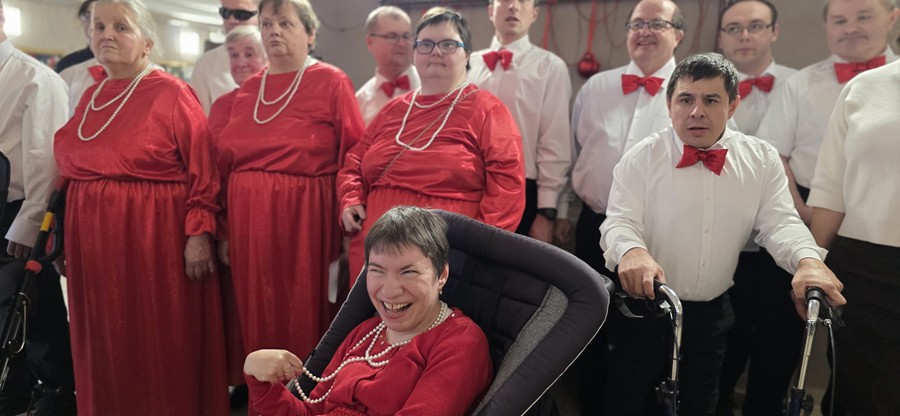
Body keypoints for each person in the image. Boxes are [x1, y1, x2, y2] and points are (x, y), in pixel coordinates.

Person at [599, 53, 846, 416]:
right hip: (645, 307)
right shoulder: (642, 157)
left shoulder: (760, 159)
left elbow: (781, 223)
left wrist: (808, 261)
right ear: (669, 105)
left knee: (701, 403)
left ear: (732, 106)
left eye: (711, 100)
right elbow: (619, 221)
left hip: (713, 313)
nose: (696, 111)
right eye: (686, 99)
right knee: (626, 401)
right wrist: (632, 251)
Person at [53, 0, 228, 413]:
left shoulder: (171, 93)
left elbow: (204, 171)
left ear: (147, 42)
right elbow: (69, 173)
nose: (106, 35)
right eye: (99, 26)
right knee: (104, 337)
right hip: (92, 245)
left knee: (155, 336)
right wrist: (60, 236)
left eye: (121, 27)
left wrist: (199, 233)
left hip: (153, 239)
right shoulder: (91, 95)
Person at [216, 3, 364, 409]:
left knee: (304, 309)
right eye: (267, 23)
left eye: (285, 23)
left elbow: (354, 153)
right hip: (248, 219)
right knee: (257, 308)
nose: (274, 31)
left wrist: (348, 209)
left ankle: (306, 401)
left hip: (306, 216)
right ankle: (264, 399)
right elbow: (226, 163)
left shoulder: (332, 81)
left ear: (311, 34)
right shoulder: (248, 90)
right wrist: (224, 229)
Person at [244, 206, 493, 415]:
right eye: (377, 271)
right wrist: (260, 381)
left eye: (408, 272)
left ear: (442, 275)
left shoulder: (460, 342)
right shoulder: (366, 332)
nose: (390, 291)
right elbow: (312, 411)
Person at [338, 7, 525, 281]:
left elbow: (507, 187)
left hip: (447, 256)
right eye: (425, 44)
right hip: (374, 252)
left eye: (448, 44)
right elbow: (354, 161)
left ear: (467, 54)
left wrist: (478, 249)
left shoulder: (489, 110)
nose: (435, 52)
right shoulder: (393, 109)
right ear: (415, 52)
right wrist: (351, 197)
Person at [564, 0, 683, 411]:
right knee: (589, 323)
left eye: (656, 23)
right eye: (636, 24)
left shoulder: (691, 93)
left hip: (657, 235)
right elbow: (575, 151)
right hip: (593, 224)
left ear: (678, 35)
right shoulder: (596, 87)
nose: (644, 31)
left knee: (647, 334)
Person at [713, 2, 801, 415]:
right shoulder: (700, 89)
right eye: (733, 28)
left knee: (775, 348)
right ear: (721, 37)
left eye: (755, 26)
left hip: (778, 246)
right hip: (719, 241)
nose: (744, 35)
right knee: (717, 348)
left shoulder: (800, 86)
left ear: (774, 31)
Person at [808, 59, 900, 416]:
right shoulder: (864, 87)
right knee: (853, 392)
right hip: (861, 270)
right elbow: (831, 189)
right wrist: (812, 264)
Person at [757, 0, 898, 226]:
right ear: (826, 26)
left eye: (863, 17)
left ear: (892, 18)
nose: (850, 29)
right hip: (807, 207)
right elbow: (772, 154)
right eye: (839, 21)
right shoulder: (799, 84)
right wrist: (799, 211)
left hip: (888, 215)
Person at [0, 2, 76, 414]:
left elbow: (45, 157)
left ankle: (58, 389)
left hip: (17, 210)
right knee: (4, 309)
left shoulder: (35, 77)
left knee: (34, 304)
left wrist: (30, 221)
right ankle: (16, 385)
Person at [469, 0, 572, 245]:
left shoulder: (550, 67)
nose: (513, 6)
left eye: (522, 1)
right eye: (504, 0)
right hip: (468, 183)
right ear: (491, 10)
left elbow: (554, 141)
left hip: (523, 188)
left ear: (534, 13)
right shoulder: (467, 63)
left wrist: (547, 211)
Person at [356, 6, 420, 126]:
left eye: (406, 36)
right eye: (392, 36)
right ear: (370, 42)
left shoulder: (432, 86)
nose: (401, 43)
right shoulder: (360, 101)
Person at [192, 0, 260, 114]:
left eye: (241, 14)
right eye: (226, 13)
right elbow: (199, 118)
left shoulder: (281, 58)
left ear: (262, 15)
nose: (231, 20)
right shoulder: (207, 63)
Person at [208, 25, 267, 138]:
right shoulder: (222, 105)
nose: (240, 63)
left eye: (249, 55)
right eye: (234, 55)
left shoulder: (279, 100)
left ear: (267, 59)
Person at [55, 0, 97, 73]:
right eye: (87, 16)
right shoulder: (67, 64)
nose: (92, 23)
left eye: (97, 16)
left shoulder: (118, 62)